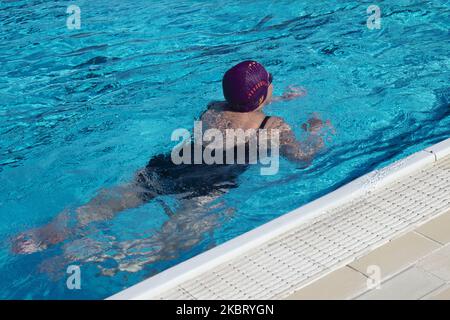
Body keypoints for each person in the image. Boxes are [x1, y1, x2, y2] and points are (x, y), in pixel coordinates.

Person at [12, 60, 328, 255]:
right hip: (210, 182)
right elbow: (301, 158)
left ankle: (53, 230)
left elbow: (241, 103)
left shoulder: (213, 108)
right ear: (263, 97)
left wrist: (274, 97)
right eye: (270, 82)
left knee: (111, 202)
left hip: (170, 164)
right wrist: (316, 130)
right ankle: (99, 253)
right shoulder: (273, 125)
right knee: (173, 241)